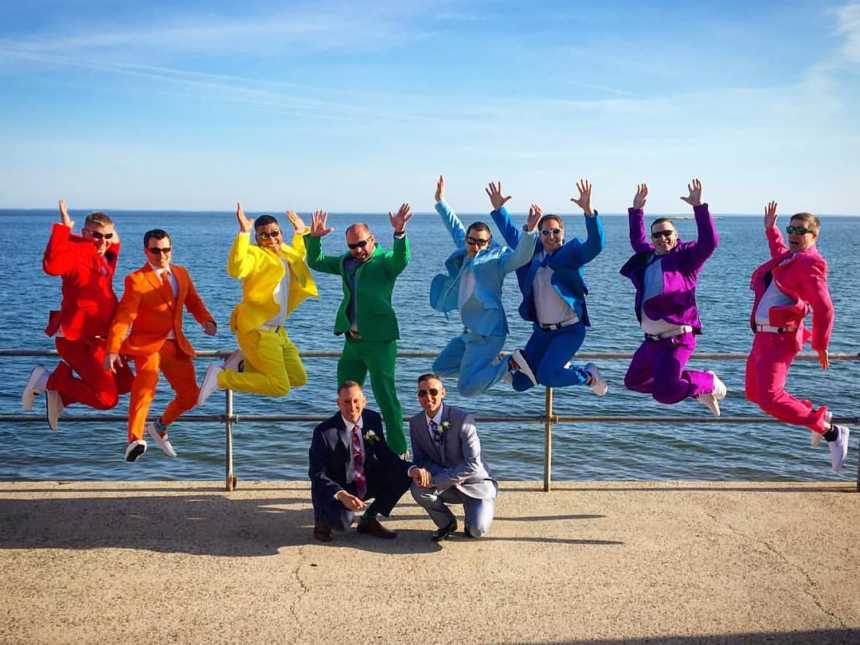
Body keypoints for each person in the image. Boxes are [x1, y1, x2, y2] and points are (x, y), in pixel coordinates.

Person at [745, 202, 849, 471]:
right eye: (791, 228)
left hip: (780, 340)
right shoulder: (792, 257)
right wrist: (771, 230)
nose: (793, 233)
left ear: (814, 236)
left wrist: (821, 345)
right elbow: (779, 255)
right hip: (763, 338)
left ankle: (831, 432)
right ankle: (818, 420)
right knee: (755, 394)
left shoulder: (811, 262)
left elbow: (825, 307)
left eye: (800, 230)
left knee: (770, 397)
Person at [304, 205, 412, 455]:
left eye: (362, 244)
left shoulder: (385, 261)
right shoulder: (346, 262)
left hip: (380, 342)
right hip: (352, 343)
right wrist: (315, 239)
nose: (358, 250)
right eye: (353, 246)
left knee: (386, 398)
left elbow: (401, 260)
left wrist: (399, 233)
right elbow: (316, 261)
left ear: (372, 239)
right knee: (346, 400)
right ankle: (349, 452)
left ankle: (399, 452)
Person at [105, 229, 217, 462]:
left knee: (190, 396)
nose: (161, 254)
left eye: (166, 249)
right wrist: (113, 349)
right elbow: (124, 317)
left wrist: (206, 320)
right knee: (144, 389)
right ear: (146, 251)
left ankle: (160, 426)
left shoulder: (181, 274)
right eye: (156, 250)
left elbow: (194, 302)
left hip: (176, 345)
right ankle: (135, 438)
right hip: (148, 346)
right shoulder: (136, 279)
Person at [22, 200, 133, 430]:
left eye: (106, 236)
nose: (102, 241)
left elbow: (115, 244)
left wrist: (110, 233)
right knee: (107, 399)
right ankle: (48, 380)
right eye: (96, 235)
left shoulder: (104, 261)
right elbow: (51, 266)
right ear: (84, 233)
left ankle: (62, 396)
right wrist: (64, 228)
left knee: (125, 384)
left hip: (101, 341)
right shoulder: (74, 255)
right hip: (78, 341)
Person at [490, 179, 608, 395]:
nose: (550, 236)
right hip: (542, 332)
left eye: (555, 232)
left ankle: (589, 376)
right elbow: (512, 235)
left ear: (563, 234)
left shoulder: (572, 254)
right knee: (520, 384)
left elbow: (596, 244)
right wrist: (499, 209)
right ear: (540, 234)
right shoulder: (531, 253)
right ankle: (527, 363)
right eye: (545, 232)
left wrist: (589, 212)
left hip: (569, 331)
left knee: (547, 375)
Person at [620, 179, 727, 415]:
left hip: (676, 340)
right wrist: (637, 210)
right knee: (633, 381)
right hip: (651, 342)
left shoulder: (686, 259)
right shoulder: (647, 257)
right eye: (656, 235)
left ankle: (707, 382)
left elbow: (710, 242)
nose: (662, 238)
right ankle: (695, 388)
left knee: (664, 393)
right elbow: (637, 240)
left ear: (676, 235)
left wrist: (699, 207)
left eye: (667, 233)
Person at [197, 204, 318, 405]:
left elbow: (299, 254)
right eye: (264, 235)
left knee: (298, 378)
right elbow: (236, 268)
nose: (271, 239)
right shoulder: (256, 255)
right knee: (280, 386)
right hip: (258, 332)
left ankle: (243, 364)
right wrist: (244, 233)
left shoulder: (286, 255)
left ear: (281, 233)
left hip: (279, 333)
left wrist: (301, 232)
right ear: (257, 239)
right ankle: (220, 377)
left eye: (275, 233)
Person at [430, 179, 538, 396]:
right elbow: (454, 226)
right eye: (471, 241)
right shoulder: (466, 249)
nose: (475, 247)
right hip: (468, 333)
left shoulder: (497, 259)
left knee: (466, 389)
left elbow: (522, 257)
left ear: (489, 242)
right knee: (440, 368)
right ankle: (494, 368)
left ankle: (510, 364)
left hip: (488, 333)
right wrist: (441, 201)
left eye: (481, 242)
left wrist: (530, 231)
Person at [308, 381, 430, 543]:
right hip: (338, 486)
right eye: (346, 402)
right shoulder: (324, 432)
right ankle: (323, 521)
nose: (352, 407)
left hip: (364, 479)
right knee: (343, 524)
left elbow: (385, 454)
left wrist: (412, 469)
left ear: (364, 401)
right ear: (338, 403)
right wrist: (342, 495)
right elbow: (317, 474)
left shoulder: (372, 419)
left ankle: (369, 519)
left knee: (404, 474)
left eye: (356, 401)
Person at [409, 373, 498, 541]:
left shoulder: (464, 420)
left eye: (433, 391)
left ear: (443, 393)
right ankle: (446, 522)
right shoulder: (415, 423)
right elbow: (420, 459)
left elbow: (472, 465)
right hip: (446, 485)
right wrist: (421, 473)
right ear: (418, 397)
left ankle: (475, 511)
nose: (428, 397)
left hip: (474, 484)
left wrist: (435, 480)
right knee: (418, 488)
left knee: (477, 531)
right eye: (422, 393)